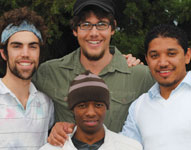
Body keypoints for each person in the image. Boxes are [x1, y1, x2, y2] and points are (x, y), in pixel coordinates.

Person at [32, 0, 155, 145]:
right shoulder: (49, 73)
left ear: (113, 28)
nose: (94, 33)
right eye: (85, 25)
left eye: (102, 24)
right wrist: (53, 128)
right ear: (75, 30)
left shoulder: (142, 76)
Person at [121, 24, 191, 150]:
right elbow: (125, 146)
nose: (163, 63)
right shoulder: (138, 106)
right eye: (154, 56)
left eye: (171, 54)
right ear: (147, 60)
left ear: (187, 56)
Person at [40, 71, 143, 150]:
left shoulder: (130, 147)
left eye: (98, 105)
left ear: (106, 107)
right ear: (72, 108)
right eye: (82, 105)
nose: (90, 113)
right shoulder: (51, 149)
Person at [0, 7, 54, 149]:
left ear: (39, 53)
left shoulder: (46, 104)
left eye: (32, 46)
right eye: (17, 46)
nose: (25, 53)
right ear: (4, 53)